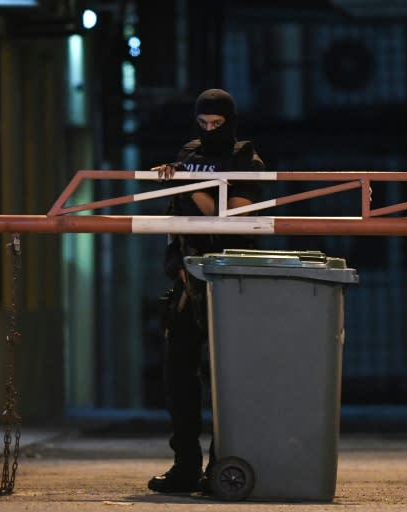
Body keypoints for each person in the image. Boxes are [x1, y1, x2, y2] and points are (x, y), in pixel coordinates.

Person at [147, 88, 264, 492]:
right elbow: (175, 218)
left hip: (231, 281)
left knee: (226, 381)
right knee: (178, 376)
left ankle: (222, 466)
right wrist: (177, 266)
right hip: (186, 279)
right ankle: (185, 466)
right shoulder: (189, 154)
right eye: (203, 124)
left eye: (217, 124)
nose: (209, 130)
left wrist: (188, 187)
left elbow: (227, 214)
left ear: (230, 123)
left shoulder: (246, 160)